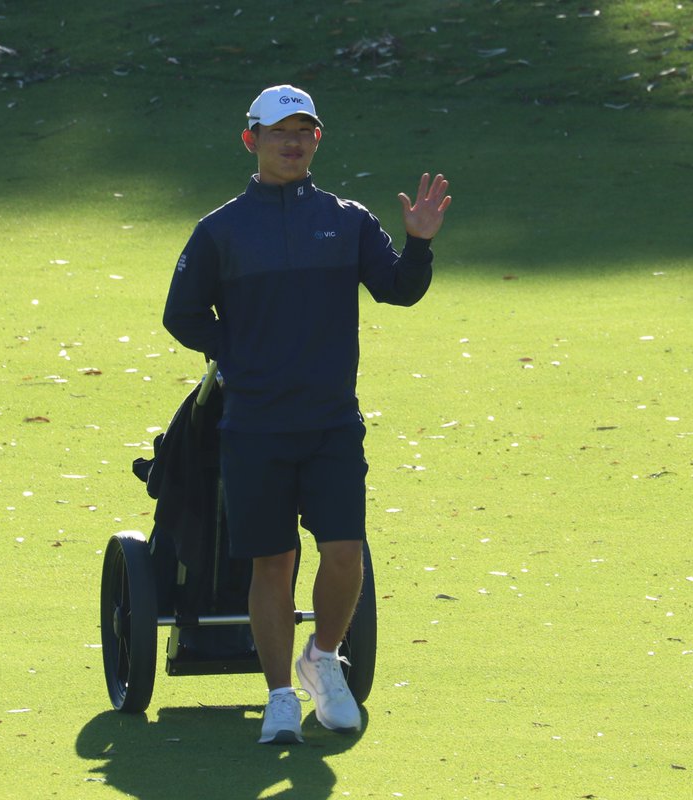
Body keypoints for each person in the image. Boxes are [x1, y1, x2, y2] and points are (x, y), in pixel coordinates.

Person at [162, 84, 450, 744]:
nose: (293, 142)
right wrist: (229, 351)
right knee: (273, 563)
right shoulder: (220, 230)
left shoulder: (347, 219)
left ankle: (322, 659)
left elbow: (399, 289)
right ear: (252, 140)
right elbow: (181, 314)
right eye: (279, 132)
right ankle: (279, 696)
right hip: (255, 426)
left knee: (345, 553)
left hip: (330, 423)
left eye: (304, 131)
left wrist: (420, 244)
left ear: (317, 140)